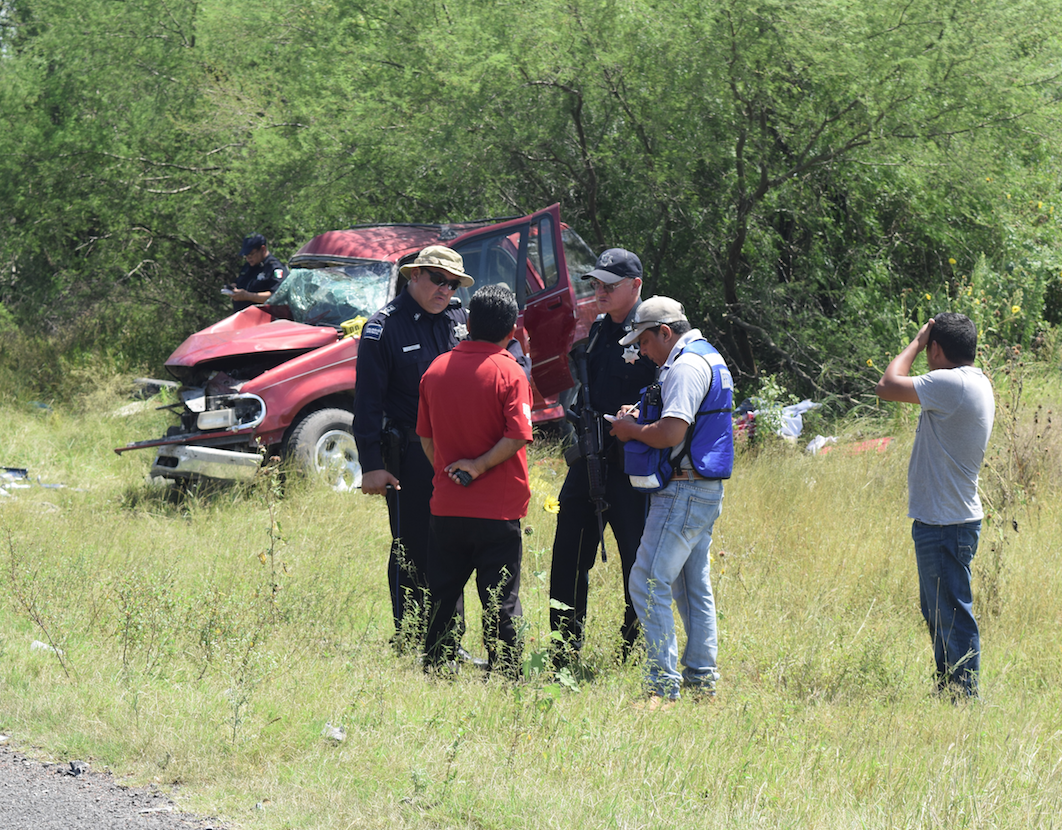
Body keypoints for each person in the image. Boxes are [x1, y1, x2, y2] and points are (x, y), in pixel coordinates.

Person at [609, 296, 733, 707]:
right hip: (702, 488)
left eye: (644, 342)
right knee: (689, 585)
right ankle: (702, 680)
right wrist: (641, 417)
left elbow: (671, 433)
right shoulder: (707, 356)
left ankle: (662, 685)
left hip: (683, 489)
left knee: (646, 582)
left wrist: (630, 431)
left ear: (665, 332)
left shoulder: (684, 367)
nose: (642, 351)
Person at [353, 245, 475, 655]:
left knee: (453, 541)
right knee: (411, 543)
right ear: (414, 275)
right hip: (409, 452)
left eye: (453, 283)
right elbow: (367, 402)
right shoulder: (384, 327)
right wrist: (371, 464)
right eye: (438, 280)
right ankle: (409, 636)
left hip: (457, 452)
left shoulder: (460, 319)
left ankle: (448, 640)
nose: (445, 290)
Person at [417, 284, 534, 677]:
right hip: (497, 511)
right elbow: (518, 434)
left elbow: (426, 437)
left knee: (444, 592)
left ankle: (437, 664)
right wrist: (480, 466)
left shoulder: (435, 369)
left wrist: (450, 472)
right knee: (500, 597)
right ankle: (505, 673)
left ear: (467, 322)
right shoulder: (510, 372)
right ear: (512, 329)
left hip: (447, 506)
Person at [875, 313, 994, 698]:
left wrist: (915, 340)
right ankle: (951, 691)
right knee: (942, 612)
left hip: (946, 522)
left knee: (952, 615)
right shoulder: (973, 381)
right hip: (946, 518)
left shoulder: (952, 383)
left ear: (937, 348)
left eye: (929, 348)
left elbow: (887, 385)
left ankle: (963, 696)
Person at [548, 248, 657, 666]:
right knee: (568, 556)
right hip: (589, 456)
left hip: (632, 463)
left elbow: (671, 391)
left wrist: (640, 416)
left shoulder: (653, 330)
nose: (600, 292)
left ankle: (634, 651)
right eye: (596, 284)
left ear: (636, 286)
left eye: (610, 286)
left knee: (637, 560)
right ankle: (562, 651)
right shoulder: (595, 331)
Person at [227, 233, 288, 312]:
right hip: (243, 317)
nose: (248, 258)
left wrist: (248, 296)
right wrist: (232, 288)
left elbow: (277, 296)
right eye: (246, 255)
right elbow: (239, 282)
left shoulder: (275, 268)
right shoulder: (248, 266)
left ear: (263, 249)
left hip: (264, 319)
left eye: (251, 254)